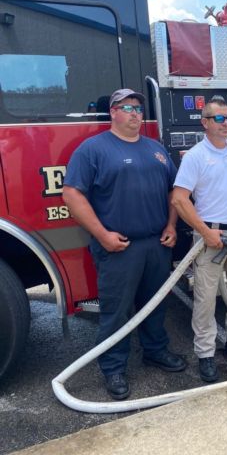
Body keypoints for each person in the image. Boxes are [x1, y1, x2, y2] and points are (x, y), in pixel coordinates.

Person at [63, 88, 186, 400]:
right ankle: (114, 368)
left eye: (138, 108)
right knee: (116, 312)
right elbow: (72, 195)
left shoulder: (155, 148)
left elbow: (175, 191)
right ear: (113, 113)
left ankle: (156, 351)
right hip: (119, 248)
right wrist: (103, 235)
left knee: (155, 305)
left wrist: (172, 225)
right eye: (127, 108)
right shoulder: (92, 150)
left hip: (157, 243)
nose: (135, 114)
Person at [171, 98, 227, 383]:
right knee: (205, 299)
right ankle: (206, 354)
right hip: (209, 237)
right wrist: (205, 231)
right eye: (219, 118)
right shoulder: (195, 156)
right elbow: (179, 199)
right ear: (205, 122)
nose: (226, 124)